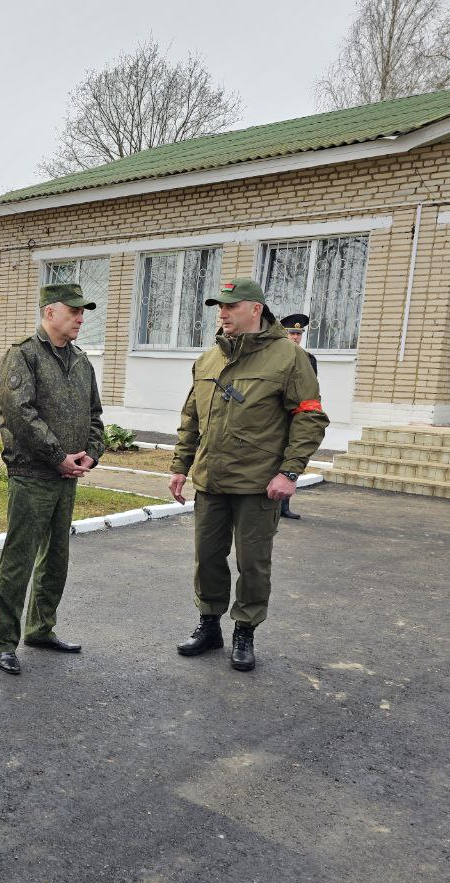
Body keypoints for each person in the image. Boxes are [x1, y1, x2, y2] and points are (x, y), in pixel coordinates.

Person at [169, 279, 329, 672]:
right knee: (207, 558)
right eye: (218, 307)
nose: (222, 313)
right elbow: (192, 417)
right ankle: (209, 625)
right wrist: (180, 466)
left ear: (255, 309)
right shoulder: (208, 359)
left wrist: (289, 472)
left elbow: (310, 416)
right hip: (211, 479)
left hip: (259, 483)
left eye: (231, 306)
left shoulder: (288, 358)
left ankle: (245, 630)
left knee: (253, 563)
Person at [0, 283, 104, 675]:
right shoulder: (22, 356)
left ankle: (41, 628)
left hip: (67, 476)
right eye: (74, 311)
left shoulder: (81, 361)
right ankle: (6, 641)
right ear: (50, 312)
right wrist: (58, 457)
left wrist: (91, 454)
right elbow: (21, 415)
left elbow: (95, 416)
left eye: (82, 311)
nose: (80, 318)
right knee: (19, 560)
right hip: (33, 475)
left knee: (56, 558)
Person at [278, 314, 317, 520]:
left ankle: (284, 505)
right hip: (278, 416)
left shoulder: (308, 359)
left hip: (296, 415)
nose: (295, 337)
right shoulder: (276, 356)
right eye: (291, 333)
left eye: (298, 334)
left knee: (292, 456)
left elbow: (311, 389)